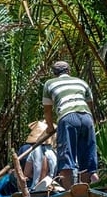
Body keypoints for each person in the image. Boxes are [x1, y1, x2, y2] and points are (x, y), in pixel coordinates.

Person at [42, 60, 98, 189]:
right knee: (88, 160)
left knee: (65, 159)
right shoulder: (81, 82)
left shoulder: (49, 83)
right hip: (87, 117)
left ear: (54, 74)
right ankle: (88, 191)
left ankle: (69, 194)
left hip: (67, 118)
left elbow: (47, 110)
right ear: (69, 71)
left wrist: (50, 128)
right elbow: (90, 105)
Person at [20, 120, 58, 193]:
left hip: (36, 189)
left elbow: (26, 174)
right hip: (51, 188)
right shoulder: (56, 152)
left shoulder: (33, 151)